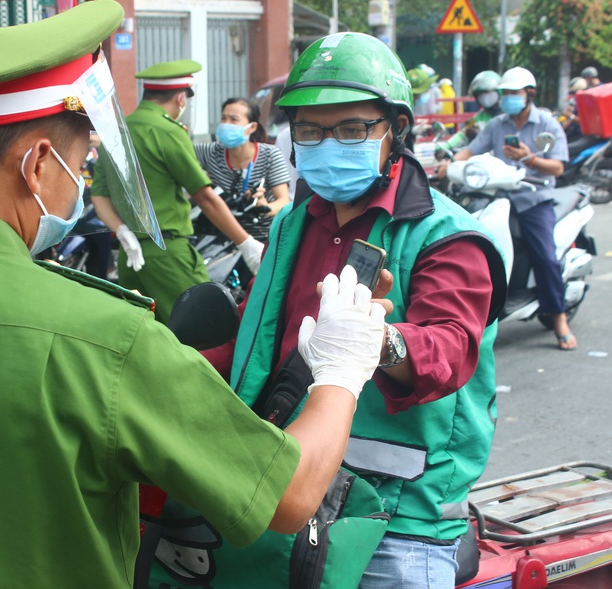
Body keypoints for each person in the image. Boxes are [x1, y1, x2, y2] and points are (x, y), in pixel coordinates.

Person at [0, 5, 391, 587]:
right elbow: (288, 496)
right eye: (82, 162)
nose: (81, 182)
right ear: (38, 164)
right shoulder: (102, 340)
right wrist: (340, 369)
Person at [201, 32, 507, 589]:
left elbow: (449, 349)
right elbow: (254, 344)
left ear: (396, 131)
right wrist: (156, 360)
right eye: (311, 131)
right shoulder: (293, 225)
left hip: (399, 513)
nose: (326, 144)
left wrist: (378, 341)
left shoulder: (448, 236)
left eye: (351, 130)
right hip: (287, 478)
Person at [91, 61, 264, 325]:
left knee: (144, 336)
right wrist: (245, 242)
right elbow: (204, 196)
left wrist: (123, 232)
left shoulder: (117, 131)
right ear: (181, 97)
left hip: (131, 256)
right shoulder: (167, 131)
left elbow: (99, 196)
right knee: (205, 330)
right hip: (167, 253)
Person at [438, 66, 575, 350]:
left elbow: (559, 167)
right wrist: (450, 163)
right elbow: (471, 148)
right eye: (505, 93)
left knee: (545, 256)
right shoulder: (497, 124)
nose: (508, 98)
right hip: (495, 197)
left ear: (529, 94)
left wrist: (530, 159)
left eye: (514, 93)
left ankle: (559, 318)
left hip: (533, 198)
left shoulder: (547, 125)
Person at [194, 97, 291, 244]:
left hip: (262, 239)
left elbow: (284, 201)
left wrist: (263, 208)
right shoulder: (209, 152)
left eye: (234, 119)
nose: (226, 124)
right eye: (223, 118)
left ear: (252, 127)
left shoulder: (270, 155)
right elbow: (176, 154)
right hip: (221, 240)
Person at [435, 70, 502, 160]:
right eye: (481, 94)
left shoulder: (509, 116)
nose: (485, 97)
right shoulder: (479, 117)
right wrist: (446, 147)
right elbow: (463, 134)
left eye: (488, 92)